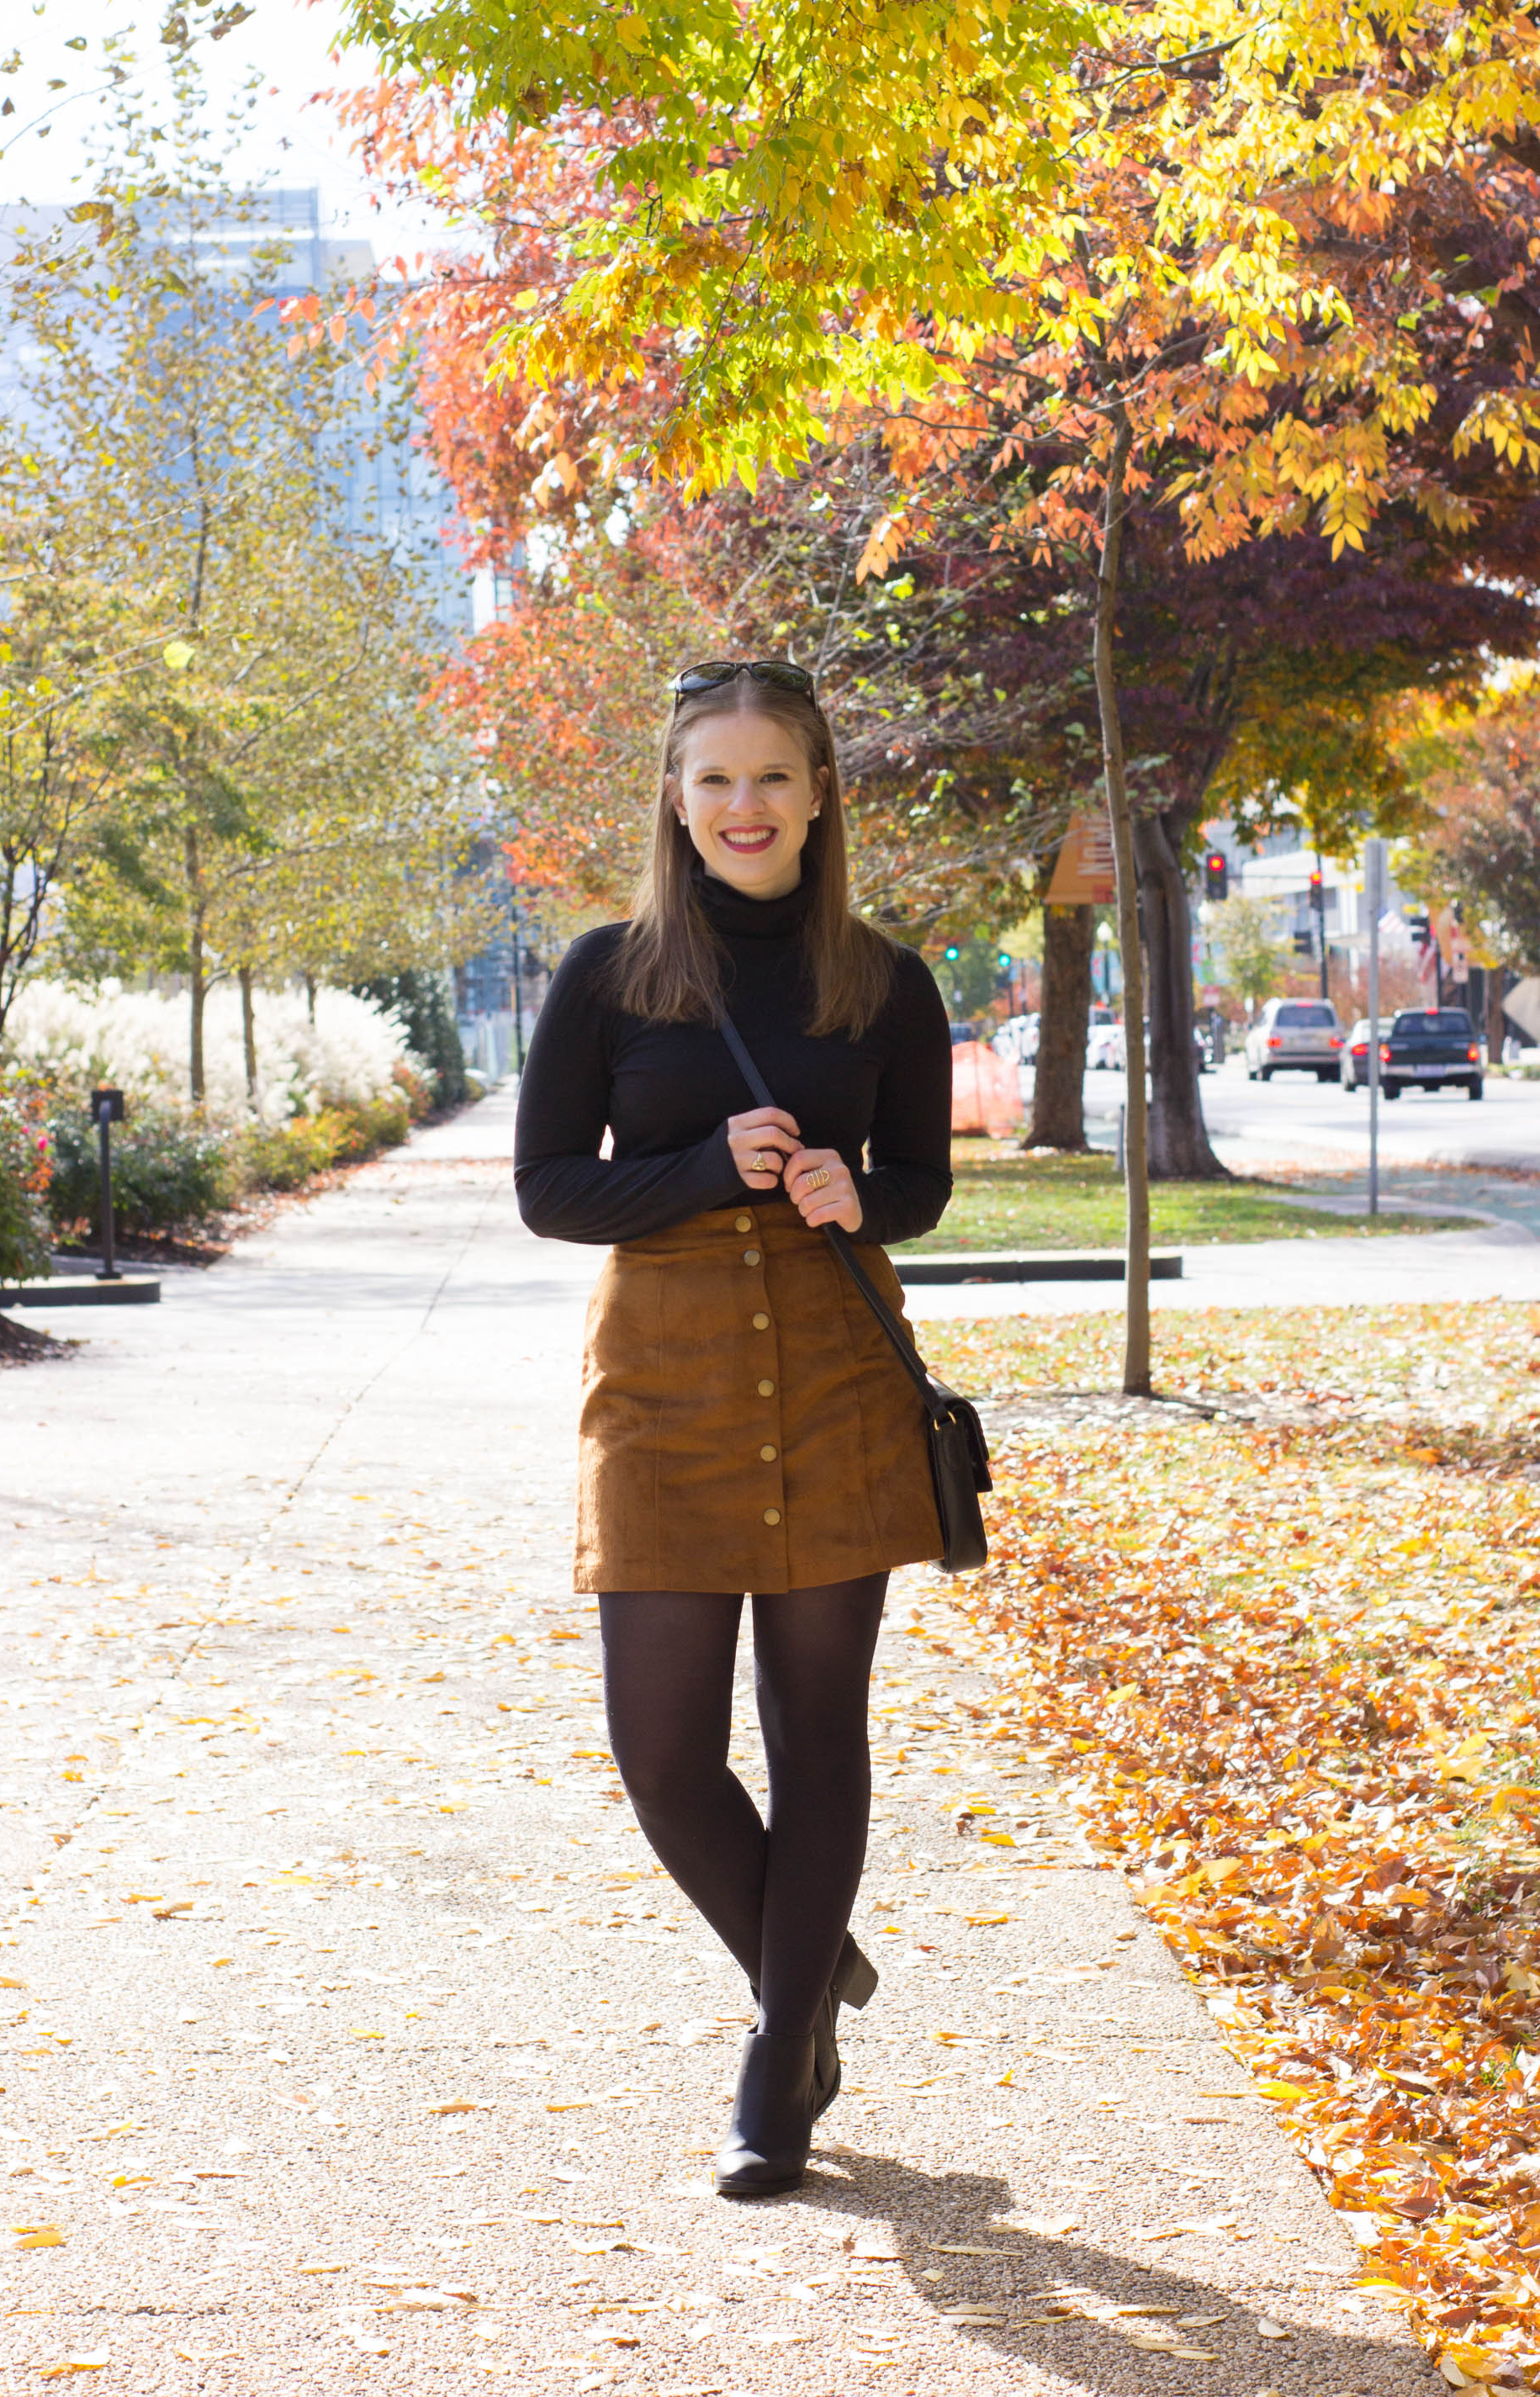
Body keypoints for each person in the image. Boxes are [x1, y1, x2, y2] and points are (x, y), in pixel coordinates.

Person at [514, 659, 952, 2196]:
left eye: (774, 777)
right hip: (669, 1372)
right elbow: (550, 1188)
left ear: (821, 792)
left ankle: (780, 2067)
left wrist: (860, 1190)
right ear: (676, 799)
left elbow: (919, 1184)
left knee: (816, 1727)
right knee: (662, 1748)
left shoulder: (886, 978)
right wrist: (707, 1163)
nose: (745, 806)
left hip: (834, 1366)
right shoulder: (609, 970)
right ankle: (808, 1967)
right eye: (715, 780)